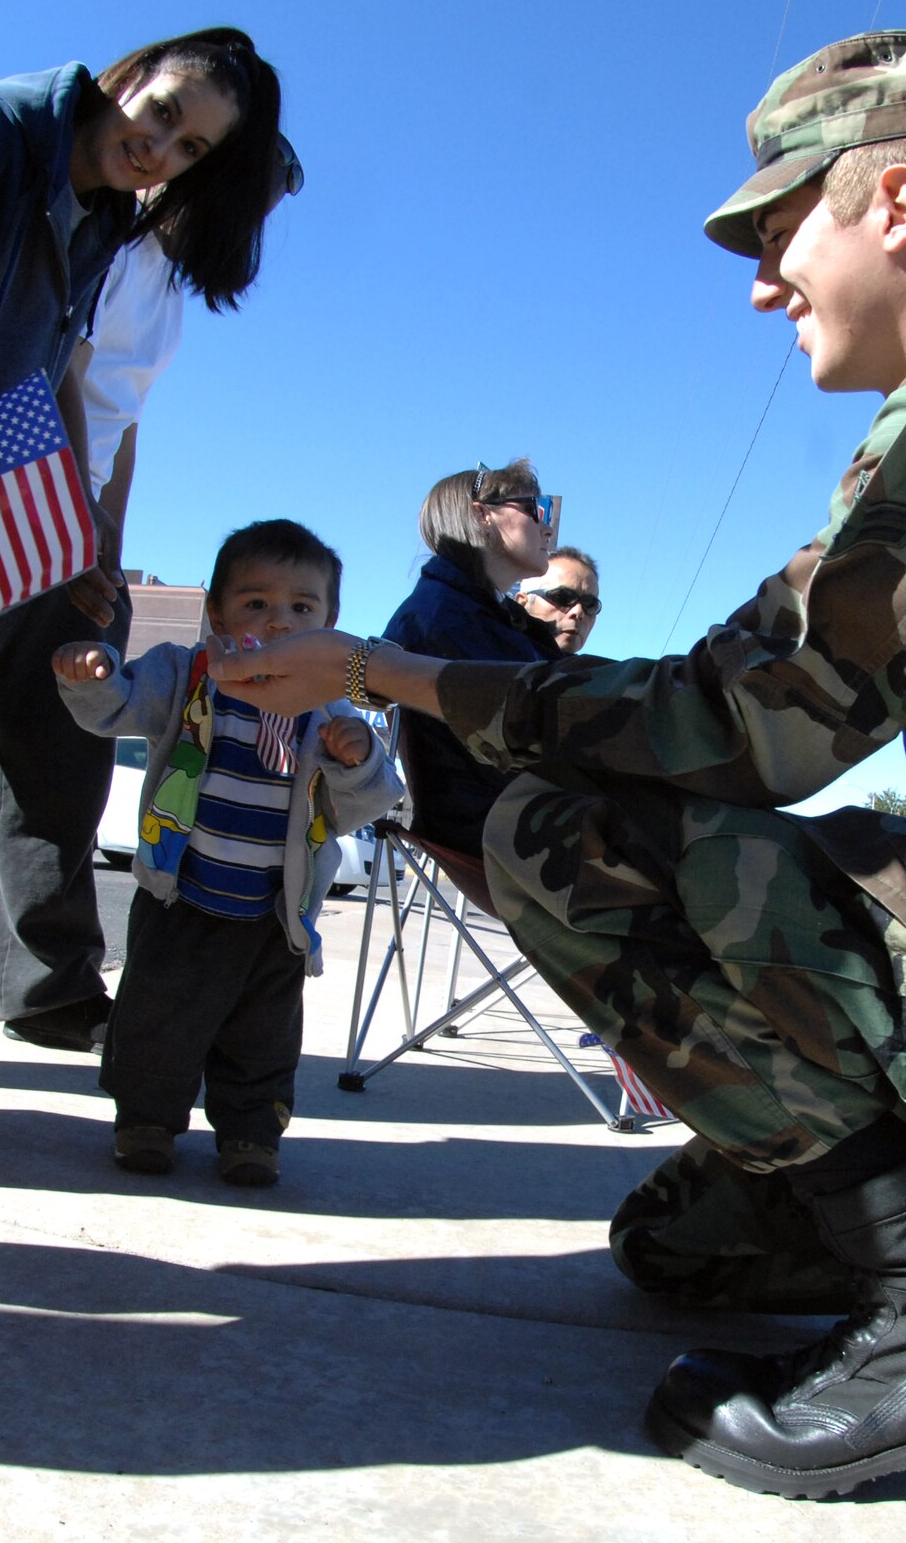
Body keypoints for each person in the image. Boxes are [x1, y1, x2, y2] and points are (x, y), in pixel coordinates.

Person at [213, 30, 906, 1496]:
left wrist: (383, 670)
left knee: (570, 834)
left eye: (779, 224)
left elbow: (739, 726)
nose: (759, 278)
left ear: (900, 207)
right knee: (669, 1250)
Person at [0, 29, 284, 1057]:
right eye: (167, 122)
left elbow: (114, 412)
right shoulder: (58, 186)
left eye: (197, 152)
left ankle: (49, 990)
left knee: (58, 769)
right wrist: (28, 515)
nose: (168, 152)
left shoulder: (154, 280)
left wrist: (103, 545)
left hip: (61, 523)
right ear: (129, 79)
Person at [54, 520, 400, 1186]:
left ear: (330, 622)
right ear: (215, 611)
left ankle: (251, 1135)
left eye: (302, 608)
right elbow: (115, 708)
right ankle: (145, 1122)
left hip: (274, 916)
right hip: (182, 896)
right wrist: (89, 675)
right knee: (157, 1021)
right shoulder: (187, 675)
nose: (278, 622)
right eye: (256, 603)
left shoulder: (329, 714)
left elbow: (366, 801)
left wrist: (352, 763)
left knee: (262, 1039)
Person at [380, 461, 558, 854]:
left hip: (512, 821)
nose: (547, 526)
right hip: (508, 835)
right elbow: (541, 732)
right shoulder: (447, 617)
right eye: (534, 507)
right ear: (482, 514)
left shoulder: (475, 613)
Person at [514, 545, 601, 654]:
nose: (578, 612)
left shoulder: (598, 670)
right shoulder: (491, 654)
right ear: (522, 603)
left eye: (589, 605)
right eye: (563, 597)